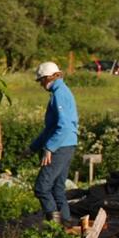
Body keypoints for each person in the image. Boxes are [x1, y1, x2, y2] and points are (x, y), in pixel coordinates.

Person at [29, 62, 78, 224]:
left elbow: (63, 127)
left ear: (48, 78)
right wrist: (33, 147)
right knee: (58, 189)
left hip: (61, 147)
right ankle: (67, 225)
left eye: (41, 81)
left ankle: (55, 227)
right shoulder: (61, 91)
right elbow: (50, 128)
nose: (41, 85)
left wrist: (49, 148)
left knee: (42, 187)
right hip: (67, 145)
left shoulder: (59, 94)